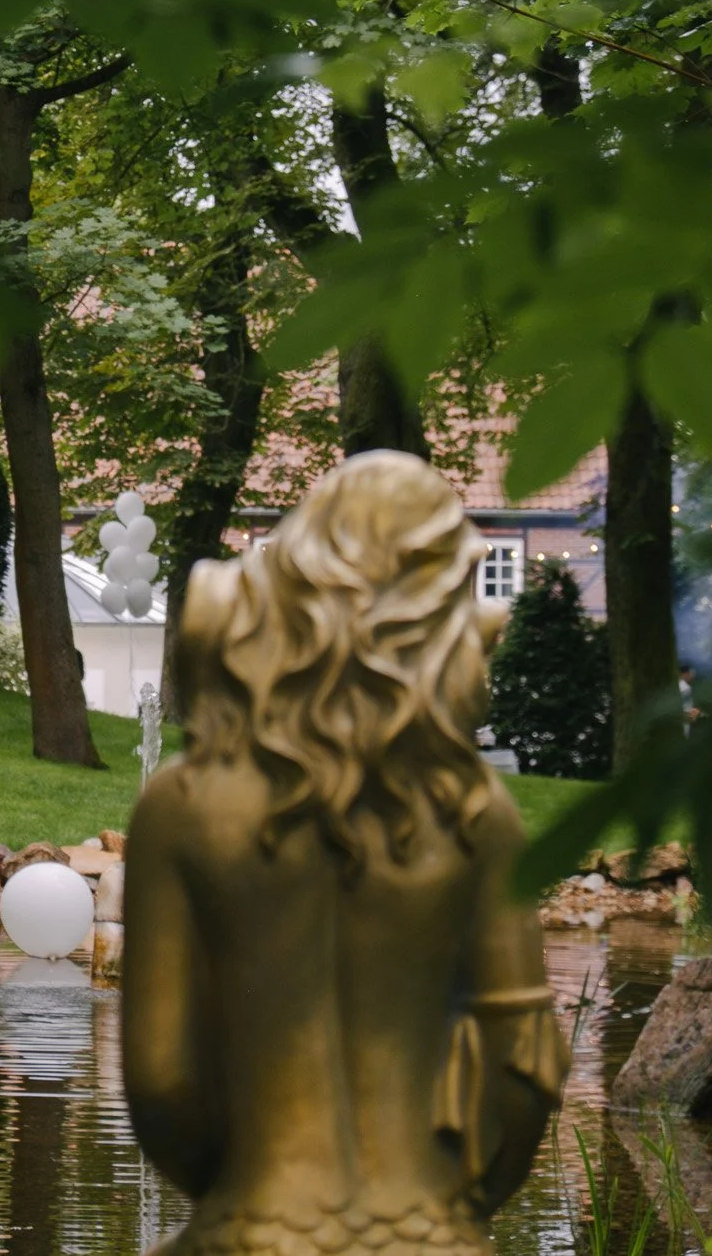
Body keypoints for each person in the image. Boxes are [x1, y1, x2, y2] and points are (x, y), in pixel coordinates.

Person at [123, 452, 562, 1256]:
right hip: (426, 1230)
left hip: (250, 1226)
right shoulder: (474, 810)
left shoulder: (183, 806)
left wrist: (231, 1192)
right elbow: (524, 1071)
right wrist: (462, 1205)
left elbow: (160, 1080)